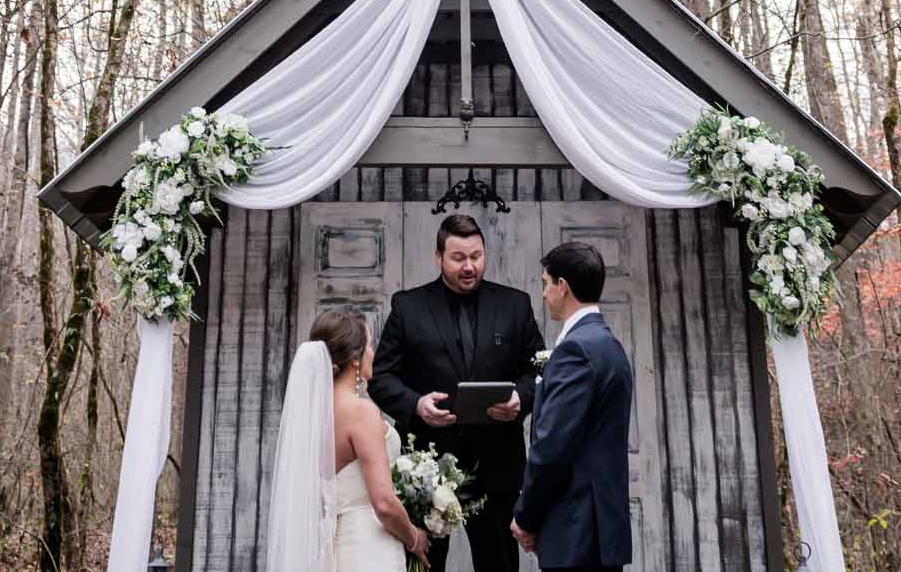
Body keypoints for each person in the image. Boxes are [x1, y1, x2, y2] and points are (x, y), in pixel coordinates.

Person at [370, 214, 547, 572]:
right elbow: (381, 376)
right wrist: (415, 405)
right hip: (426, 473)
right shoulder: (407, 306)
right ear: (438, 257)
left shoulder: (516, 304)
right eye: (458, 258)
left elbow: (538, 371)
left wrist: (521, 400)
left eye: (477, 256)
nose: (470, 266)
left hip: (498, 469)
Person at [266, 308, 431, 572]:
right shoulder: (361, 412)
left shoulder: (311, 415)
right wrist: (414, 539)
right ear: (355, 359)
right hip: (370, 546)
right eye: (370, 347)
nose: (373, 355)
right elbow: (384, 503)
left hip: (330, 546)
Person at [511, 241, 633, 572]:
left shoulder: (575, 350)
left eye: (545, 283)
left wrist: (525, 515)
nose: (543, 293)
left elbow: (552, 447)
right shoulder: (610, 346)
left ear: (562, 286)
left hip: (576, 529)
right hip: (599, 530)